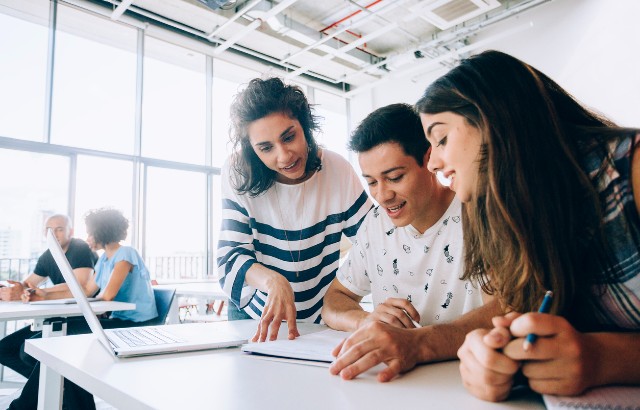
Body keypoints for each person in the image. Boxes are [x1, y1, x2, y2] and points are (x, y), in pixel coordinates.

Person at [415, 50, 640, 402]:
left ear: (494, 119)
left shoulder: (631, 170)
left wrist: (602, 358)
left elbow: (591, 352)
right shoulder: (505, 214)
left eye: (441, 138)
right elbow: (515, 312)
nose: (433, 163)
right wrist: (495, 355)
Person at [322, 103, 499, 382]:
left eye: (394, 177)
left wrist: (418, 342)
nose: (382, 195)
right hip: (394, 383)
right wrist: (365, 320)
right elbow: (334, 301)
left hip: (464, 380)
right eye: (371, 182)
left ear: (429, 158)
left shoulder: (478, 214)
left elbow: (505, 307)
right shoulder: (374, 224)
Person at [216, 77, 372, 342]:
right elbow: (230, 258)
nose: (284, 156)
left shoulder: (337, 170)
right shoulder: (238, 172)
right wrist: (272, 281)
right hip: (255, 316)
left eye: (289, 137)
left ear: (306, 127)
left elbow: (375, 242)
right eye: (266, 148)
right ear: (253, 150)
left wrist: (346, 292)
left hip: (319, 315)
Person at [9, 208, 158, 410]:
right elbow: (88, 289)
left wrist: (84, 297)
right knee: (43, 345)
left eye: (90, 233)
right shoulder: (105, 259)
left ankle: (24, 406)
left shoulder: (126, 254)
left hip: (134, 323)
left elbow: (108, 295)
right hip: (117, 320)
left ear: (102, 231)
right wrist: (44, 294)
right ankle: (70, 400)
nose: (87, 238)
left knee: (51, 345)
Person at [0, 214, 97, 379]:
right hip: (59, 317)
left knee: (28, 352)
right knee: (4, 349)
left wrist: (34, 292)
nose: (54, 234)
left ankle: (58, 392)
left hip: (83, 317)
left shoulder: (80, 247)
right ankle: (51, 391)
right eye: (49, 230)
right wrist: (11, 290)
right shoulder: (48, 255)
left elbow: (80, 285)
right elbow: (29, 284)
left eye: (59, 229)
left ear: (70, 231)